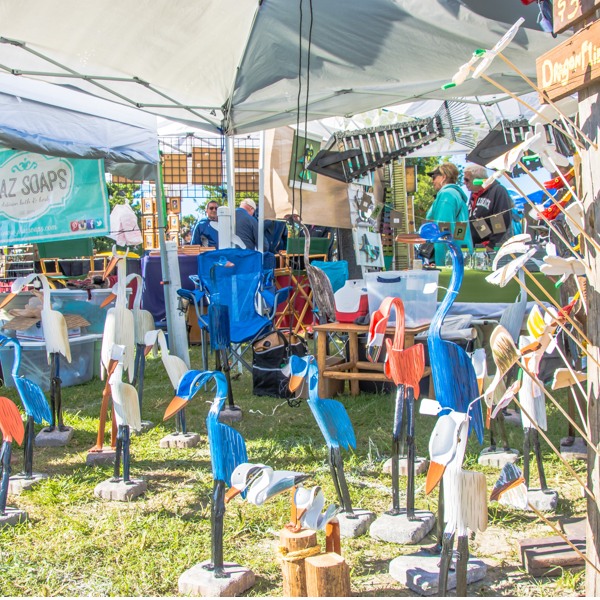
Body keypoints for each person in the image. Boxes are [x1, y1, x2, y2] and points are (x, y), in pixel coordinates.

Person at [425, 162, 473, 267]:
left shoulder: (447, 195)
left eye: (434, 177)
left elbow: (443, 231)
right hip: (460, 254)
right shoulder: (456, 194)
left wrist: (441, 264)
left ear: (444, 176)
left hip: (450, 260)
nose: (432, 181)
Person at [464, 164, 513, 250]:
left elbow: (502, 218)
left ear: (477, 179)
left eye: (466, 180)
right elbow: (476, 220)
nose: (464, 183)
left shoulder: (497, 190)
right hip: (477, 246)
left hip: (491, 247)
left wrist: (492, 244)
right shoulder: (474, 195)